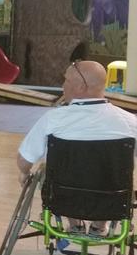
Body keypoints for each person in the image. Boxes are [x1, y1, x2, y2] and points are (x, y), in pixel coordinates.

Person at [16, 60, 137, 237]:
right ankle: (98, 225)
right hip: (114, 201)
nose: (63, 85)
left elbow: (24, 160)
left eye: (66, 80)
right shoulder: (130, 122)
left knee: (45, 170)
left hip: (63, 198)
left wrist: (24, 173)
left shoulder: (54, 119)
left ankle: (74, 224)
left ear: (80, 87)